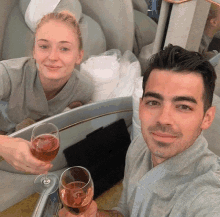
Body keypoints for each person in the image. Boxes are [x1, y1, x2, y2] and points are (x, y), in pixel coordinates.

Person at [59, 44, 220, 216]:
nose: (164, 119)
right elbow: (126, 211)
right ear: (141, 106)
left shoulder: (207, 197)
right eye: (154, 102)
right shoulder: (139, 147)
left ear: (207, 118)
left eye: (183, 106)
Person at [0, 11, 93, 174]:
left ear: (79, 56)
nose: (52, 57)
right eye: (44, 46)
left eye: (64, 48)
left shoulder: (83, 89)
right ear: (34, 51)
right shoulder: (7, 75)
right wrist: (3, 145)